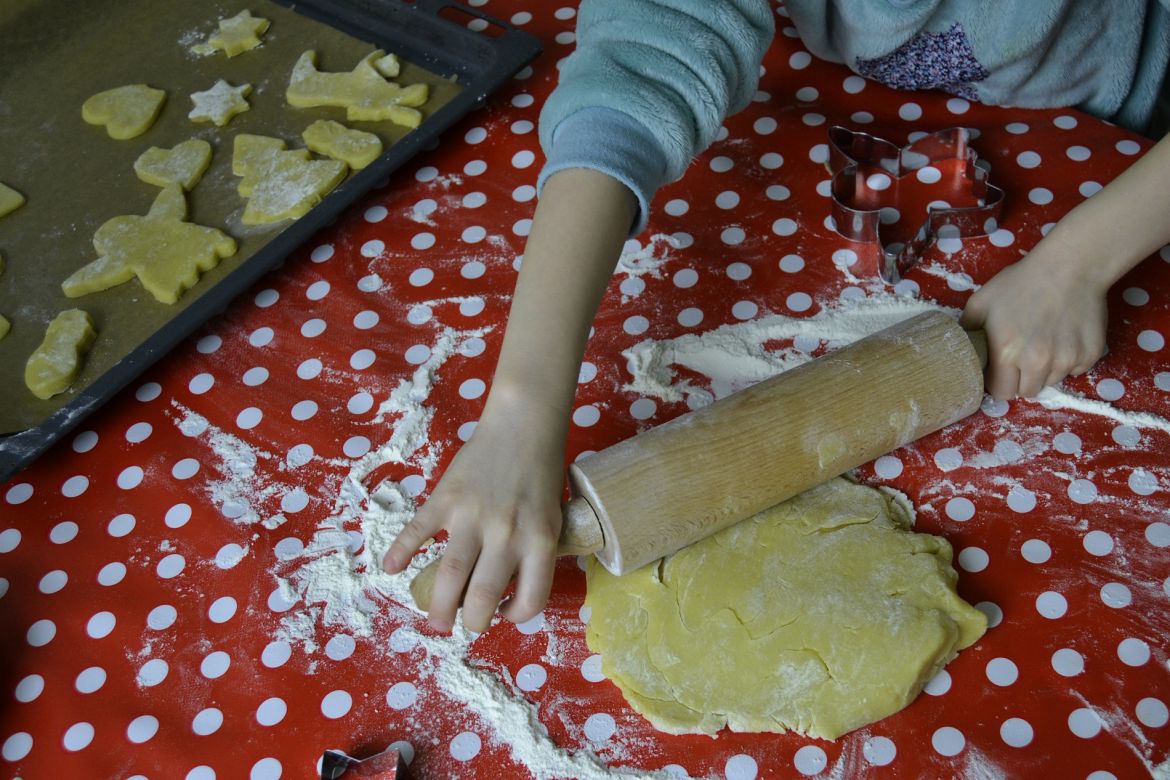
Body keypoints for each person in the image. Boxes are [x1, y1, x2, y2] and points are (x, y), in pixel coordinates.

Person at [385, 0, 1170, 634]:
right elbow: (650, 47)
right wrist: (520, 411)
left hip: (1118, 150)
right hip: (852, 100)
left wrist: (1079, 264)